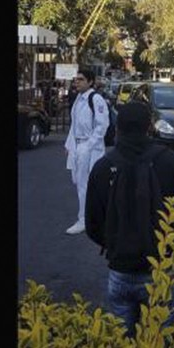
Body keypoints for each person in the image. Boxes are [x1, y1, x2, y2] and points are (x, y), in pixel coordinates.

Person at [85, 101, 174, 338]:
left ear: (117, 129)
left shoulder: (103, 167)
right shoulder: (170, 161)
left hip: (120, 271)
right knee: (163, 338)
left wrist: (113, 244)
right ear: (149, 127)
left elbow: (92, 223)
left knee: (121, 339)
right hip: (160, 272)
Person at [64, 69, 110, 235]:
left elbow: (102, 125)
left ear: (90, 82)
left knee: (87, 185)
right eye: (76, 79)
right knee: (80, 182)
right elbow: (74, 124)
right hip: (78, 146)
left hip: (89, 147)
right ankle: (91, 217)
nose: (77, 82)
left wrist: (89, 146)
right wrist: (69, 145)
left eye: (81, 79)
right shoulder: (79, 99)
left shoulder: (95, 99)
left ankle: (84, 220)